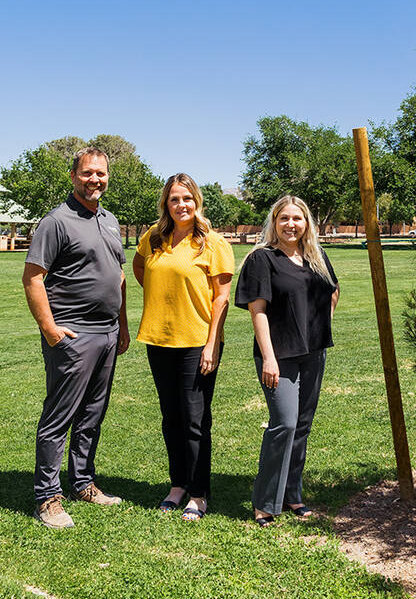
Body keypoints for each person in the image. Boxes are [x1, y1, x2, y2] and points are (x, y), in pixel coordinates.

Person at [22, 147, 130, 529]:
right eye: (87, 173)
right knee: (60, 416)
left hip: (108, 333)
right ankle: (47, 497)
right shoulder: (57, 221)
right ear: (73, 176)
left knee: (92, 415)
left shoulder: (111, 220)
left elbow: (117, 276)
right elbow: (33, 278)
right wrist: (50, 330)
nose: (94, 179)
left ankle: (82, 482)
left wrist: (123, 325)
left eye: (100, 174)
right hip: (73, 333)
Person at [132, 173, 234, 521]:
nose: (181, 205)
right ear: (166, 204)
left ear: (197, 202)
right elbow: (140, 268)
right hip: (159, 340)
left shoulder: (213, 243)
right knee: (171, 418)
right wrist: (165, 298)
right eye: (174, 199)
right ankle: (177, 485)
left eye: (187, 198)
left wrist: (211, 346)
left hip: (197, 344)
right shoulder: (154, 238)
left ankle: (199, 493)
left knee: (195, 420)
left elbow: (221, 298)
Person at [234, 195, 339, 527]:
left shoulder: (316, 256)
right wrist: (269, 357)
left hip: (313, 354)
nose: (291, 225)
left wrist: (321, 327)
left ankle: (293, 494)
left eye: (297, 218)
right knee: (285, 424)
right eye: (284, 219)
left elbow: (333, 291)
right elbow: (258, 310)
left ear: (306, 222)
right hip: (278, 357)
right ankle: (265, 502)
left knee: (302, 427)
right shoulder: (262, 259)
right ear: (274, 223)